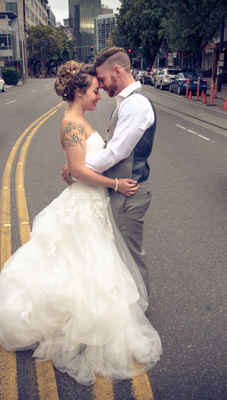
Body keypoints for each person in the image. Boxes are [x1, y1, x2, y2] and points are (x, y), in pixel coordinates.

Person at [0, 61, 162, 386]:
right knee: (82, 263)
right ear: (80, 92)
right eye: (94, 90)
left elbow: (80, 164)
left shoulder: (79, 120)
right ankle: (77, 322)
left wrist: (79, 168)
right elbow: (79, 171)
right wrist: (116, 185)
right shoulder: (71, 124)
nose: (99, 95)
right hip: (85, 200)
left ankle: (89, 320)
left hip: (90, 200)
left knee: (90, 265)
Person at [62, 47, 156, 294]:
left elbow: (116, 152)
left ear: (117, 71)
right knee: (119, 254)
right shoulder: (125, 102)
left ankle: (140, 308)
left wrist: (77, 168)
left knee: (130, 256)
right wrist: (77, 166)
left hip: (130, 193)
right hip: (120, 191)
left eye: (102, 80)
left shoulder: (136, 104)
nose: (101, 86)